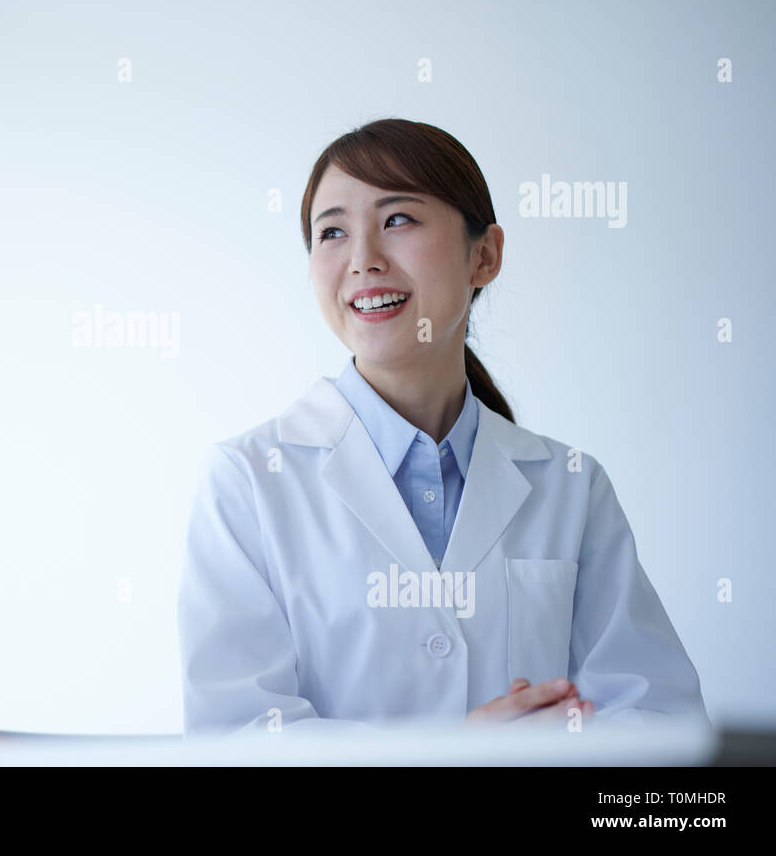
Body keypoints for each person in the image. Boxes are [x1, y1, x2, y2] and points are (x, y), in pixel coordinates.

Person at [177, 119, 708, 735]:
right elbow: (239, 735)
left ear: (484, 256)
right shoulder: (248, 481)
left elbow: (660, 721)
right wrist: (459, 751)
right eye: (332, 232)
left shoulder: (572, 487)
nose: (362, 259)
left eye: (397, 219)